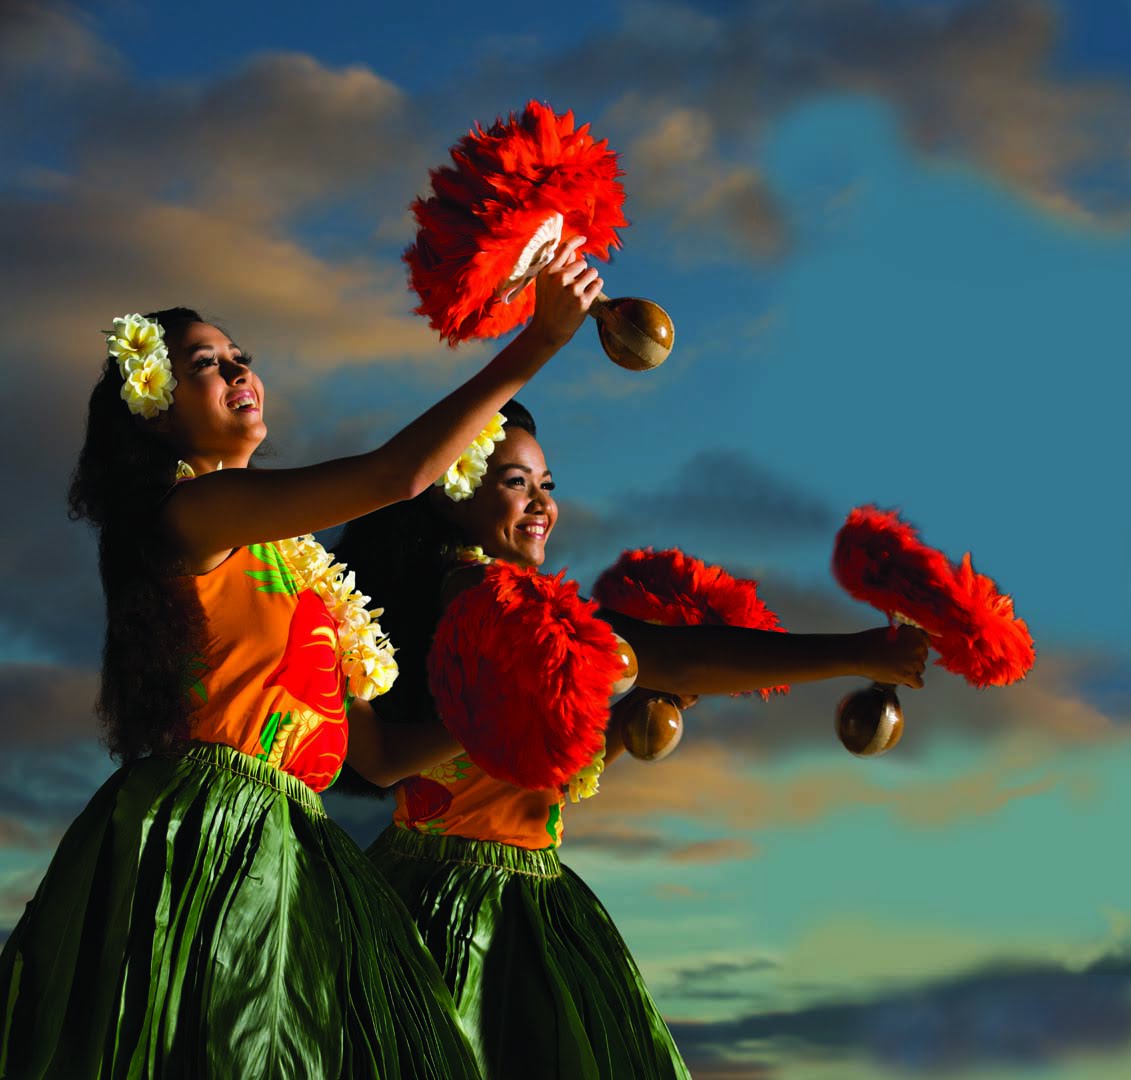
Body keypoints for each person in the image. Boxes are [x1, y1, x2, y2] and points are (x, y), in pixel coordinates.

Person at [0, 238, 602, 1078]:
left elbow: (384, 757)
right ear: (156, 405)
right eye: (205, 362)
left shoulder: (294, 563)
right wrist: (536, 345)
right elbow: (399, 473)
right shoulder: (190, 515)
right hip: (208, 835)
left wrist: (516, 715)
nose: (237, 368)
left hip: (294, 844)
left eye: (240, 355)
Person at [335, 402, 929, 1080]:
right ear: (453, 488)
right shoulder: (484, 592)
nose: (540, 504)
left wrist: (627, 722)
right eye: (514, 482)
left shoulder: (491, 594)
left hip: (519, 886)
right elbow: (667, 655)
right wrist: (855, 652)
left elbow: (537, 786)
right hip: (463, 904)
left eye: (546, 485)